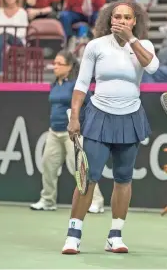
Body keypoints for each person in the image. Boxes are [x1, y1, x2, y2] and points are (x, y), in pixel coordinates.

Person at [62, 0, 159, 254]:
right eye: (118, 17)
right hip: (98, 116)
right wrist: (74, 117)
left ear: (135, 21)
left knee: (123, 179)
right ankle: (73, 234)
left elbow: (153, 67)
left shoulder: (144, 45)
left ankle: (115, 235)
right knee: (88, 178)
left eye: (128, 18)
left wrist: (132, 40)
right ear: (110, 19)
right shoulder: (95, 46)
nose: (123, 21)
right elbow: (82, 84)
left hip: (130, 117)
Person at [30, 49, 105, 213]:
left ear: (69, 66)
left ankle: (97, 201)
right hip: (54, 132)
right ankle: (48, 200)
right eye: (54, 63)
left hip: (73, 134)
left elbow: (91, 104)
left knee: (79, 168)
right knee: (48, 165)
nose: (54, 66)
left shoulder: (78, 85)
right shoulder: (54, 85)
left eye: (59, 63)